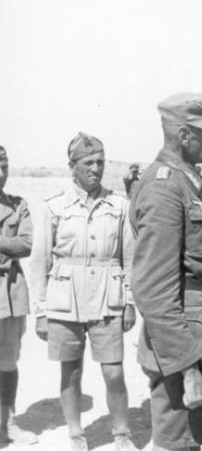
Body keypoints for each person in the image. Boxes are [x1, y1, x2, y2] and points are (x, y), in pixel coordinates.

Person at [129, 91, 202, 451]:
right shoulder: (164, 188)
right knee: (178, 444)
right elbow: (153, 289)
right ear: (184, 135)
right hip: (184, 350)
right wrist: (186, 368)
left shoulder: (188, 181)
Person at [29, 133, 137, 451]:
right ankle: (76, 434)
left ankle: (121, 433)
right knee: (71, 372)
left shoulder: (119, 206)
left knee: (114, 372)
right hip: (65, 301)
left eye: (101, 161)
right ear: (72, 166)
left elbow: (129, 258)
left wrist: (130, 301)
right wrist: (41, 312)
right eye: (88, 162)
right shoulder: (54, 207)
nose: (96, 167)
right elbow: (39, 264)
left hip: (108, 297)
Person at [0, 146, 37, 446]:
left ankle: (6, 424)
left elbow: (25, 246)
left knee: (8, 362)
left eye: (4, 166)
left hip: (9, 293)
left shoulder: (18, 205)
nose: (1, 174)